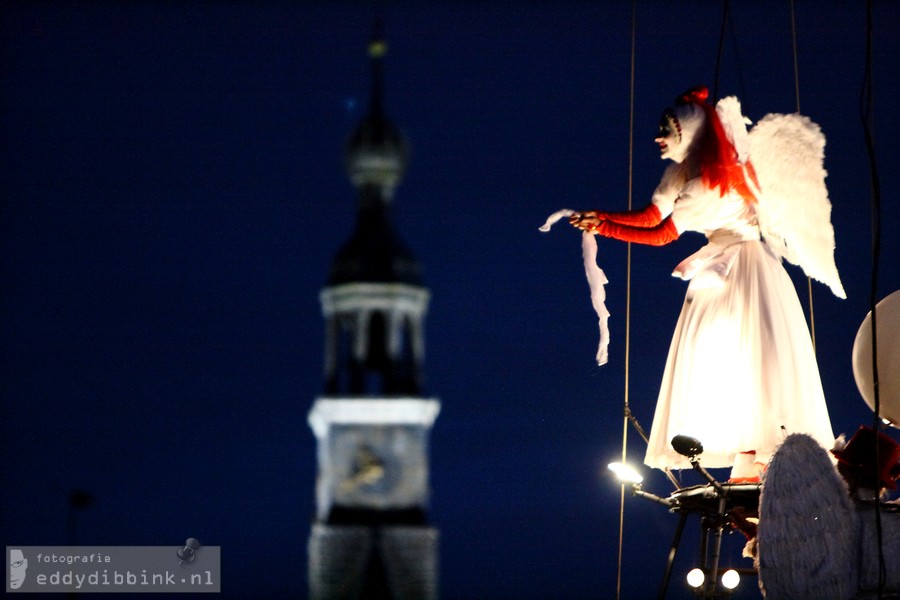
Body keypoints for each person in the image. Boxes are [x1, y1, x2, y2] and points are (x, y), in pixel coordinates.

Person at [569, 86, 836, 478]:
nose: (658, 138)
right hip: (719, 264)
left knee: (753, 353)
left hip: (743, 267)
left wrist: (606, 226)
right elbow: (650, 215)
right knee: (723, 354)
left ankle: (759, 453)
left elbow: (662, 235)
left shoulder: (712, 182)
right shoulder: (681, 171)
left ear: (688, 133)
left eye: (667, 130)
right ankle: (745, 451)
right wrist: (600, 218)